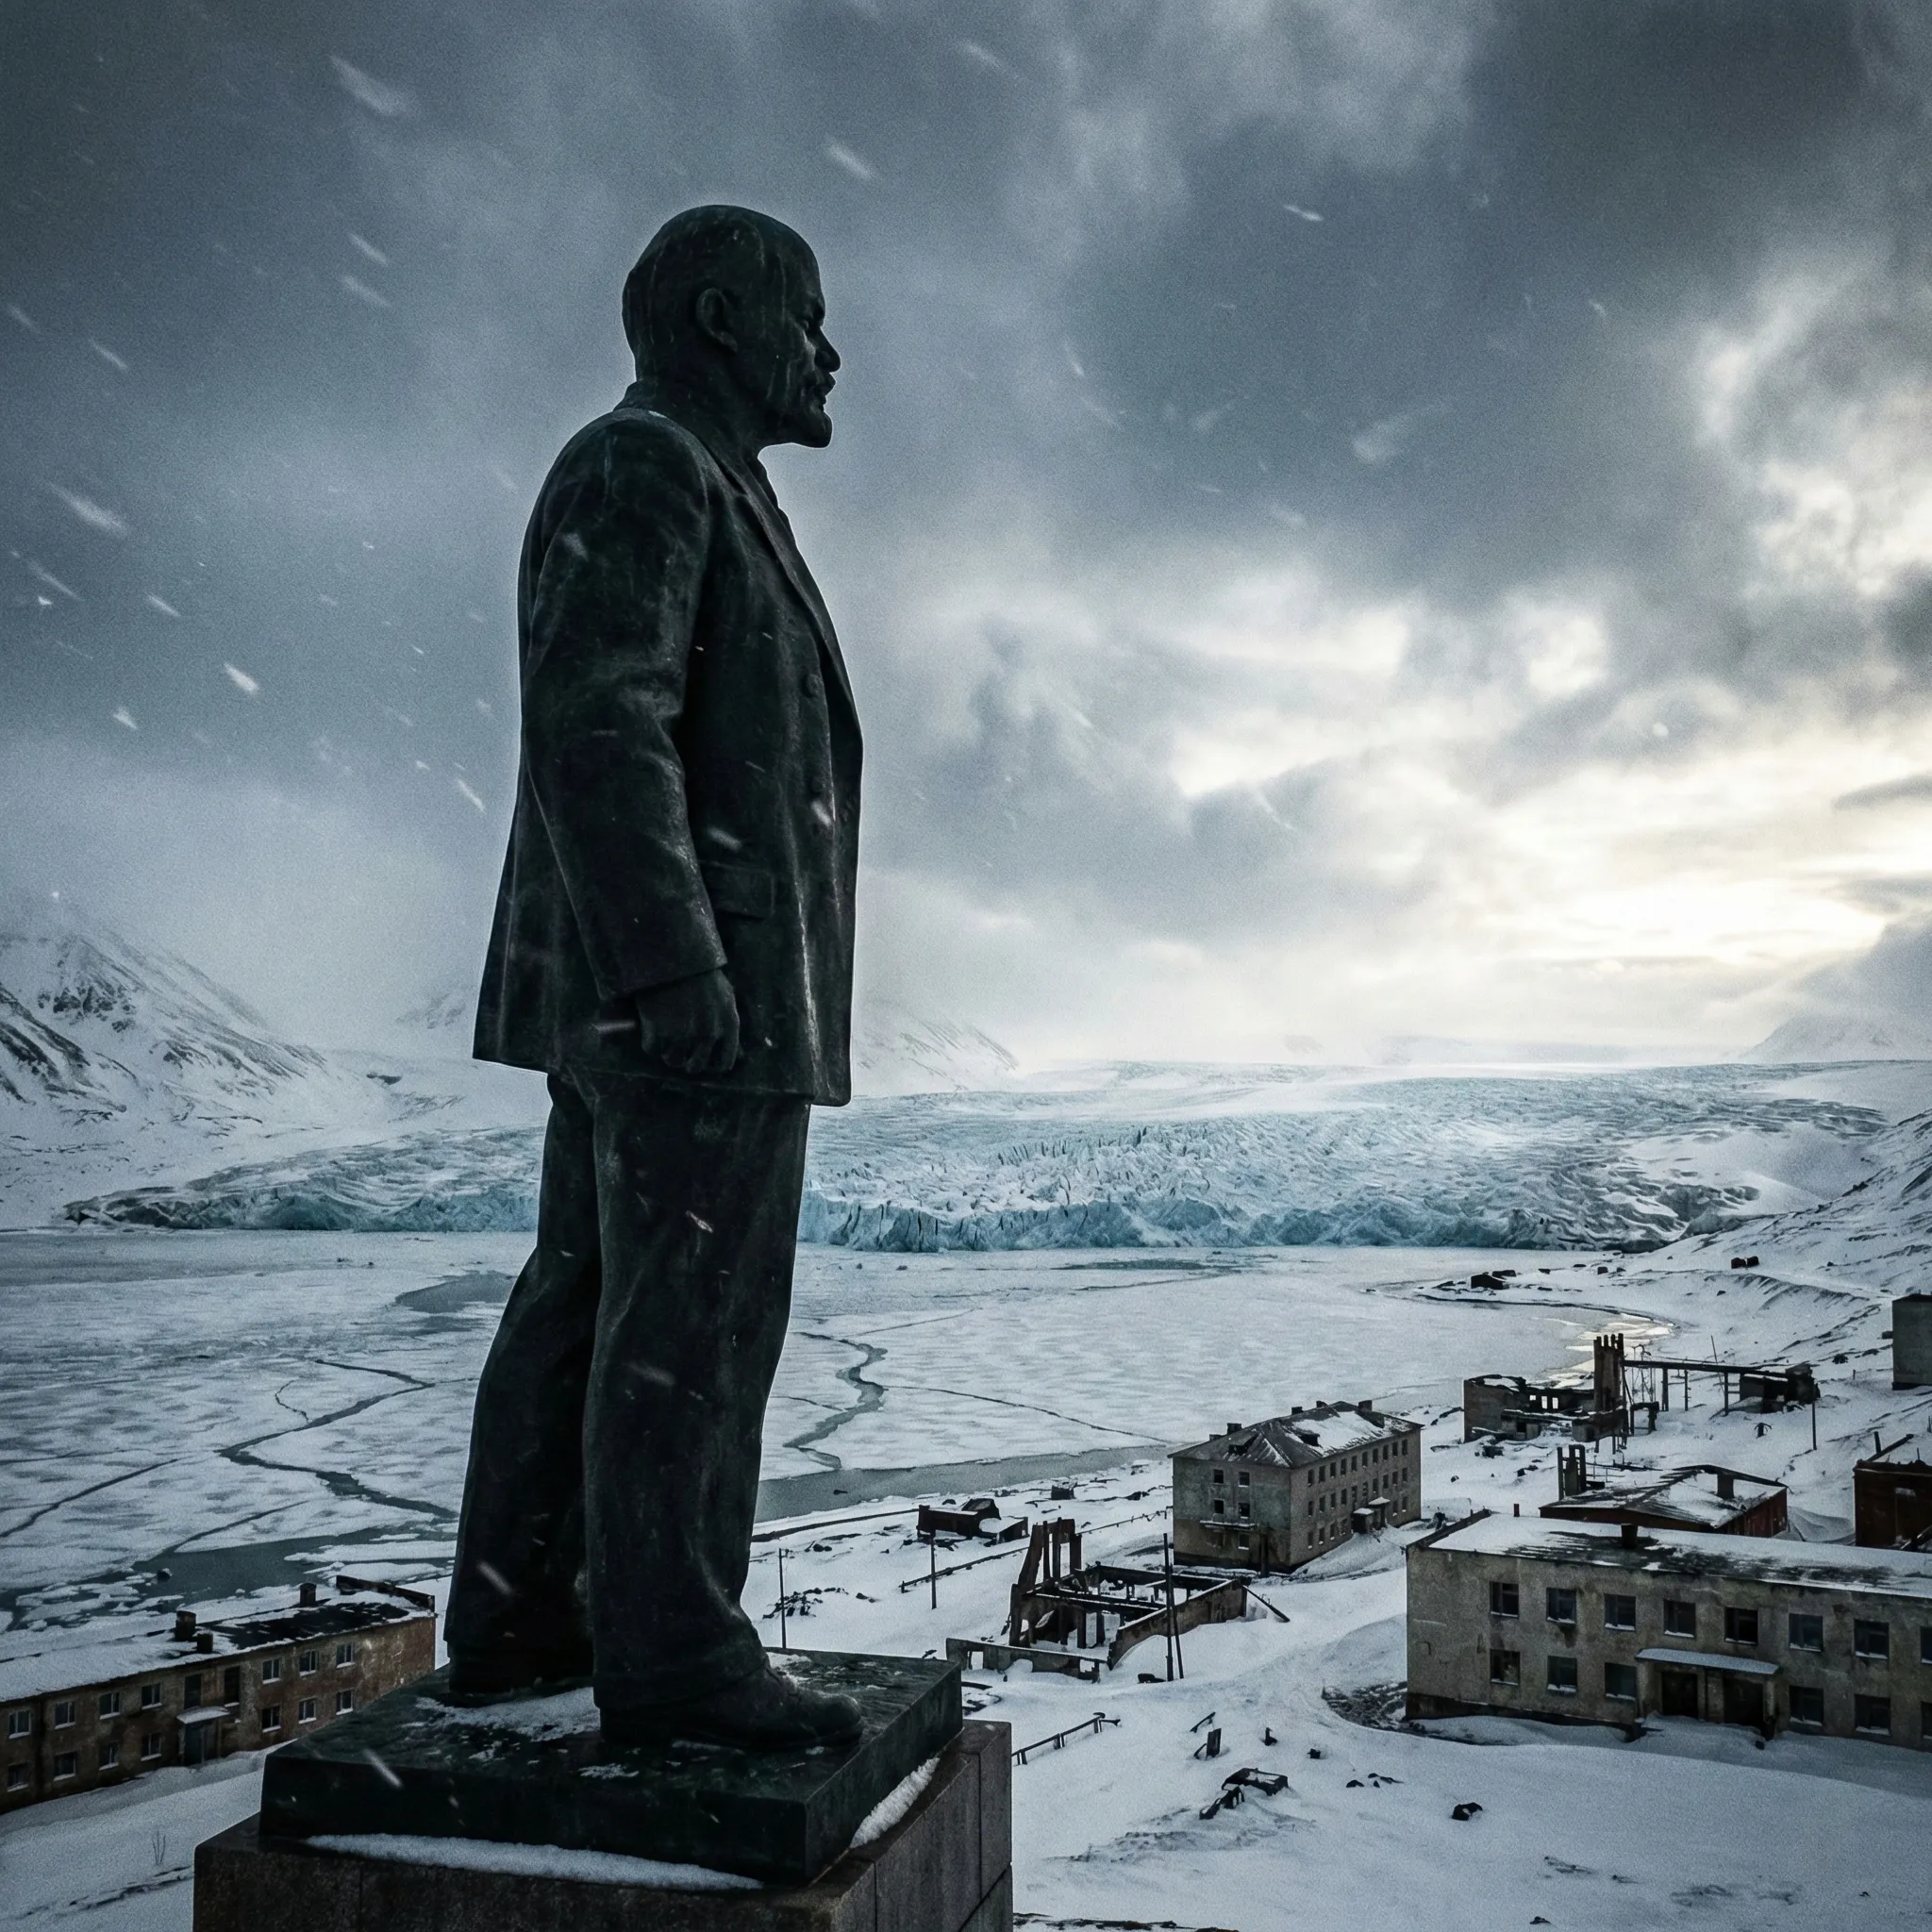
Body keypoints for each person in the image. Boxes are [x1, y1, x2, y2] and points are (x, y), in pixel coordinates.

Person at [442, 205, 863, 1750]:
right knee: (690, 1315)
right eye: (805, 316)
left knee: (595, 1295)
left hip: (666, 992)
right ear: (715, 317)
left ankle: (518, 1623)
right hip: (696, 997)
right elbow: (599, 721)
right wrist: (678, 963)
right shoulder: (647, 466)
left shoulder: (700, 478)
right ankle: (675, 1654)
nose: (831, 351)